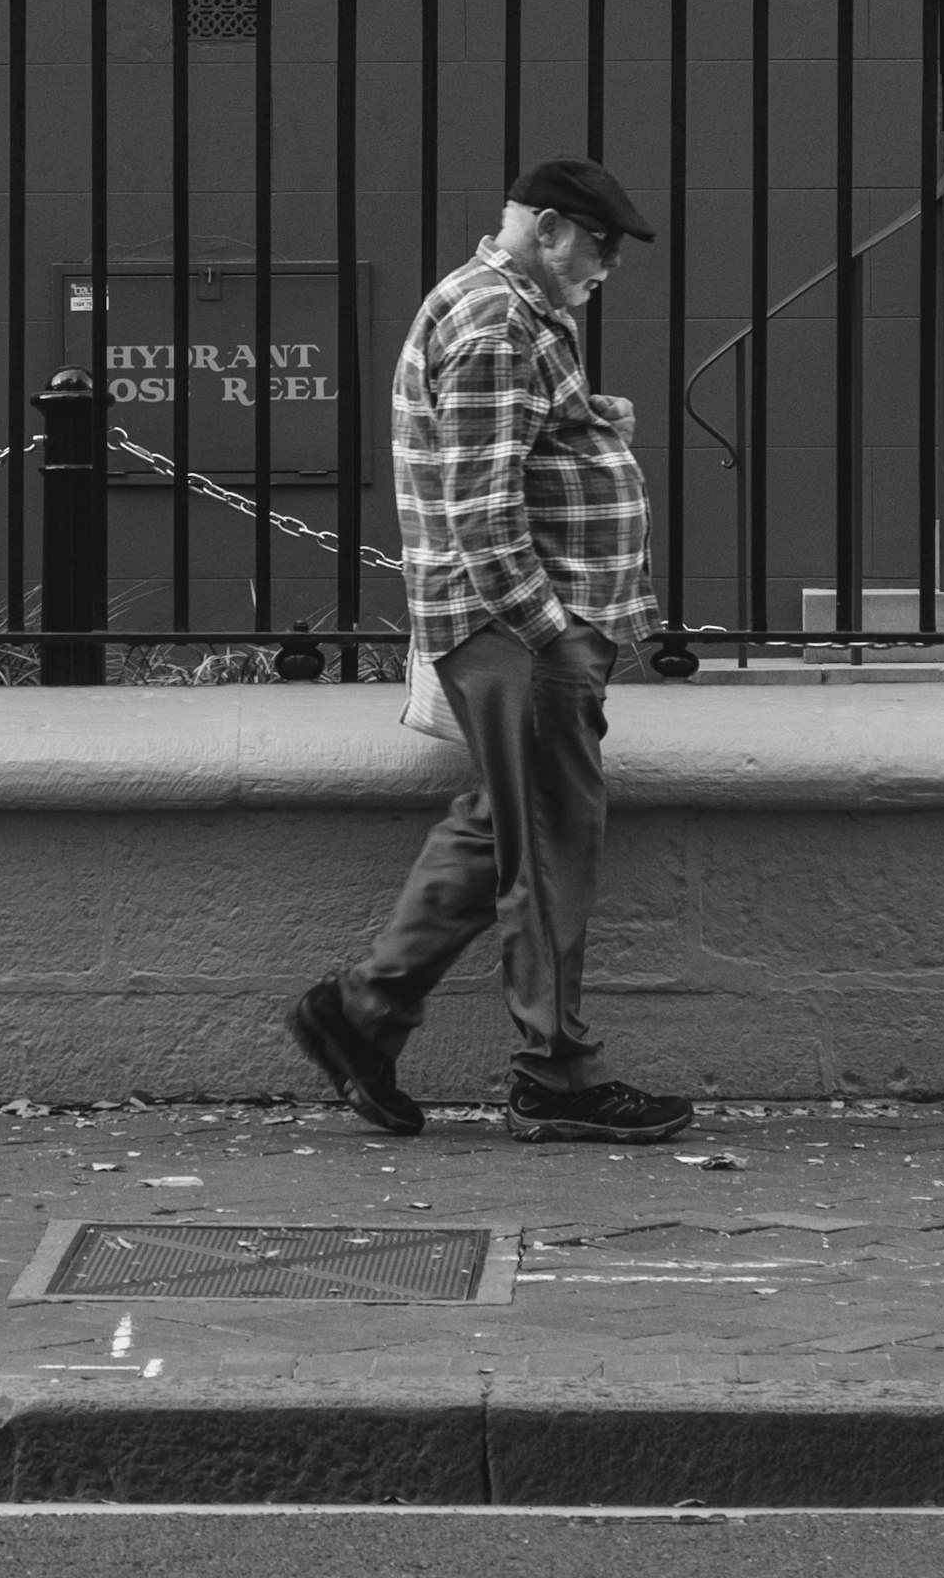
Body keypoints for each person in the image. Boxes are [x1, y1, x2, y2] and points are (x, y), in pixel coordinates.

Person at [287, 159, 696, 1147]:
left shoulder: (511, 313)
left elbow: (501, 449)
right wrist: (549, 630)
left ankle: (362, 1015)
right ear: (551, 228)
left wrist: (592, 423)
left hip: (516, 624)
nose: (608, 267)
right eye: (600, 246)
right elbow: (482, 504)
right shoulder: (495, 321)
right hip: (519, 627)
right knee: (552, 842)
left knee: (501, 828)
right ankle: (556, 1074)